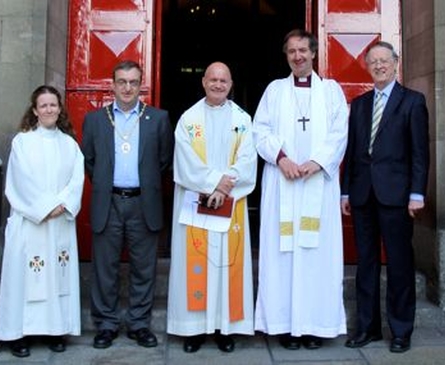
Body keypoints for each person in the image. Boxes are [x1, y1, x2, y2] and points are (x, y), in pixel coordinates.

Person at [252, 29, 349, 350]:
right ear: (287, 56)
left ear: (313, 53)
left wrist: (317, 162)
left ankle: (314, 327)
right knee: (282, 256)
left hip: (318, 185)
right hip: (283, 186)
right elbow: (259, 130)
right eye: (292, 51)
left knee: (316, 257)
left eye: (303, 51)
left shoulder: (331, 92)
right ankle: (283, 325)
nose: (297, 56)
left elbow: (339, 133)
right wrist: (281, 159)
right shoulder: (275, 90)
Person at [340, 41, 429, 354]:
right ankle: (367, 328)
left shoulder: (413, 102)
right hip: (363, 195)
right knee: (365, 264)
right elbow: (352, 152)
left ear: (395, 63)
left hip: (397, 196)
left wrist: (417, 193)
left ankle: (401, 330)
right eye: (373, 61)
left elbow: (420, 153)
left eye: (384, 60)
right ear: (367, 66)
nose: (378, 66)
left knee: (399, 264)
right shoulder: (361, 104)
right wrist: (346, 190)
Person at [81, 60, 174, 349]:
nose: (127, 87)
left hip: (142, 202)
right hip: (108, 202)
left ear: (140, 85)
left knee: (144, 268)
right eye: (122, 81)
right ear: (112, 84)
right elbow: (90, 161)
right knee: (104, 267)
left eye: (133, 82)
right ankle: (106, 324)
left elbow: (164, 160)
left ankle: (138, 324)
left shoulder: (157, 118)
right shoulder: (96, 119)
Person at [166, 62, 258, 353]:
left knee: (225, 265)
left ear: (231, 84)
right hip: (196, 202)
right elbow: (185, 162)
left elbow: (248, 160)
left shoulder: (243, 120)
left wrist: (222, 188)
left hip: (230, 205)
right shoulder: (189, 119)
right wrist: (215, 185)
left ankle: (223, 328)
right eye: (213, 79)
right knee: (198, 264)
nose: (218, 85)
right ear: (203, 82)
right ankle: (193, 330)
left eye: (224, 80)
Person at [0, 85, 84, 358]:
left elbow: (77, 179)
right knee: (24, 278)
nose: (49, 110)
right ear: (34, 110)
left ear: (60, 109)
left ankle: (55, 331)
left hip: (59, 224)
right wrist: (46, 207)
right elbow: (21, 181)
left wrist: (63, 205)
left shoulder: (70, 144)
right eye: (43, 105)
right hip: (30, 223)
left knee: (56, 277)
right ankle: (18, 334)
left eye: (53, 105)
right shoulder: (23, 142)